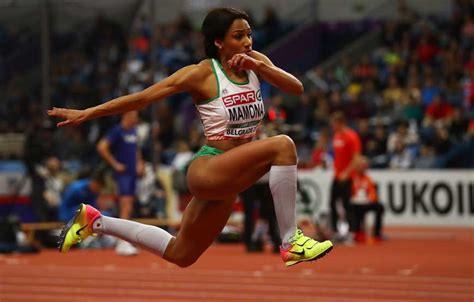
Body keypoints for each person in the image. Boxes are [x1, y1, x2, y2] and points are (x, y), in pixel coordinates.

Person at [50, 7, 333, 268]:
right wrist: (88, 113)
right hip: (209, 169)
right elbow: (143, 98)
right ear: (219, 42)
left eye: (249, 34)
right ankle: (290, 241)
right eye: (238, 36)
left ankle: (95, 222)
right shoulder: (201, 74)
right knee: (283, 145)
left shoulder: (256, 62)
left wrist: (260, 67)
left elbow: (296, 88)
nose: (248, 41)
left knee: (181, 254)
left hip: (231, 177)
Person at [97, 110, 142, 256]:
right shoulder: (118, 131)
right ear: (126, 116)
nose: (136, 120)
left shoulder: (134, 131)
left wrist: (140, 163)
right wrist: (114, 164)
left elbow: (136, 149)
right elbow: (102, 147)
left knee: (128, 207)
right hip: (123, 175)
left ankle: (124, 241)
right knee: (125, 205)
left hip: (132, 173)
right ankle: (122, 242)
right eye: (134, 117)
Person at [329, 111, 362, 239]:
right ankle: (335, 230)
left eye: (334, 124)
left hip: (347, 177)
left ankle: (351, 231)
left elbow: (357, 158)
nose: (333, 126)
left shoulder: (352, 136)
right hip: (337, 176)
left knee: (347, 205)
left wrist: (347, 173)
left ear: (341, 123)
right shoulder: (336, 136)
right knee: (332, 203)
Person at [350, 157, 385, 243]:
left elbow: (373, 193)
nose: (363, 168)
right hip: (354, 203)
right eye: (361, 165)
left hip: (366, 202)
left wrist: (370, 199)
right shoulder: (352, 178)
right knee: (352, 208)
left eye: (364, 166)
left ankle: (377, 234)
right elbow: (348, 193)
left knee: (380, 207)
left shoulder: (368, 179)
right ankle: (356, 232)